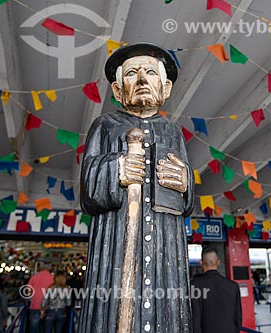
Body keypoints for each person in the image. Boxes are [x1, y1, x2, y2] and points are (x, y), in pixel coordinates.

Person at [79, 42, 194, 332]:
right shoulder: (104, 125)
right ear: (118, 90)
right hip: (115, 240)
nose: (142, 80)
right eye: (132, 73)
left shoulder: (173, 131)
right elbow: (87, 189)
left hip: (165, 242)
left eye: (150, 74)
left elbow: (188, 199)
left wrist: (185, 182)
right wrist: (115, 169)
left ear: (165, 87)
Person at [191, 246, 242, 333]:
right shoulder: (233, 286)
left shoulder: (195, 286)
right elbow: (238, 319)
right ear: (218, 262)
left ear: (201, 262)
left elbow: (195, 319)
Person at [28, 264, 54, 333]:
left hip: (35, 304)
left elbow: (28, 290)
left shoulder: (34, 277)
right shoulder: (52, 278)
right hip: (48, 306)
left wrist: (31, 298)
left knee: (34, 326)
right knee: (46, 327)